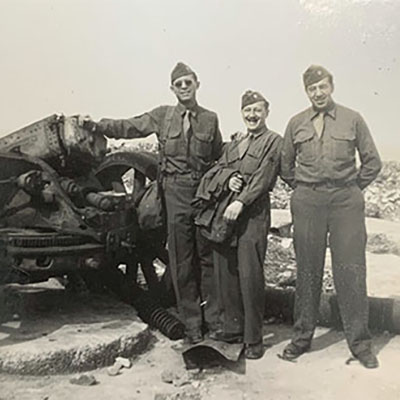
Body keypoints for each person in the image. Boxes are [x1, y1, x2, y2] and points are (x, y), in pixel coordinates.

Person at [85, 62, 223, 343]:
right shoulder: (163, 116)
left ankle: (216, 323)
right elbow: (132, 126)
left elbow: (218, 158)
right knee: (182, 260)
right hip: (174, 193)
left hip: (203, 195)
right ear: (172, 89)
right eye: (178, 84)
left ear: (197, 83)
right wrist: (98, 125)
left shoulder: (211, 119)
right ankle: (194, 326)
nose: (184, 87)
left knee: (207, 258)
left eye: (188, 82)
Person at [280, 65, 382, 368]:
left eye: (322, 87)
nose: (318, 93)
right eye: (312, 89)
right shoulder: (296, 123)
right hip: (308, 201)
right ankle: (301, 338)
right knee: (307, 271)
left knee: (350, 270)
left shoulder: (353, 119)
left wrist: (350, 188)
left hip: (345, 202)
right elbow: (286, 166)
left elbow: (372, 162)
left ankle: (360, 344)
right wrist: (304, 190)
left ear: (331, 87)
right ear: (306, 92)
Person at [195, 90, 282, 359]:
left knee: (250, 275)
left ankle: (254, 339)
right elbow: (216, 170)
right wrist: (228, 178)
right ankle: (232, 330)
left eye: (257, 110)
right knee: (226, 273)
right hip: (227, 215)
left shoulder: (273, 141)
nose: (252, 115)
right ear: (242, 113)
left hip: (252, 215)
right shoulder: (235, 144)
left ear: (267, 111)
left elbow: (263, 178)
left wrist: (241, 201)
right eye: (248, 110)